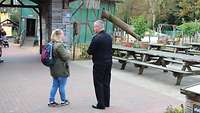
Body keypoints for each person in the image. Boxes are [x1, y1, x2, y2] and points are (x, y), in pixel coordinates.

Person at [87, 20, 112, 110]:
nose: (94, 29)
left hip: (99, 63)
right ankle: (106, 102)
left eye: (94, 27)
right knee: (106, 82)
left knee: (98, 83)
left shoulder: (96, 38)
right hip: (109, 62)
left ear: (98, 27)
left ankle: (101, 104)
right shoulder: (109, 37)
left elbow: (89, 51)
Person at [48, 29, 70, 107]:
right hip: (61, 69)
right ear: (59, 35)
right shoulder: (59, 45)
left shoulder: (52, 44)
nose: (63, 36)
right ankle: (63, 100)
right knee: (62, 86)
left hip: (54, 69)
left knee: (54, 85)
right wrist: (68, 52)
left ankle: (51, 101)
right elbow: (65, 57)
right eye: (62, 34)